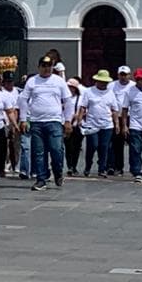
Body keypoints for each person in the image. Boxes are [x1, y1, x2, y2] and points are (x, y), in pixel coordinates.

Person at [19, 55, 74, 192]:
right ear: (39, 67)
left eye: (49, 66)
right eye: (44, 66)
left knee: (56, 149)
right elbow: (23, 100)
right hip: (37, 122)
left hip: (54, 121)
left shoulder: (59, 81)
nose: (46, 68)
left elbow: (68, 101)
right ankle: (41, 179)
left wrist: (68, 120)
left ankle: (58, 171)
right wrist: (23, 119)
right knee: (38, 152)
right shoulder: (32, 81)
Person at [77, 69, 117, 178]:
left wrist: (117, 124)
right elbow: (83, 107)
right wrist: (80, 119)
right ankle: (88, 166)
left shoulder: (110, 93)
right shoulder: (89, 92)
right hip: (92, 124)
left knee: (104, 147)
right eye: (101, 81)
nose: (103, 84)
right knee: (92, 145)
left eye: (105, 82)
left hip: (107, 125)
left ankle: (102, 168)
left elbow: (114, 110)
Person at [108, 65, 133, 176]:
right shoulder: (112, 85)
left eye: (125, 75)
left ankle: (134, 166)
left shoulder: (133, 86)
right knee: (115, 143)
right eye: (121, 75)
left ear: (129, 75)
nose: (123, 77)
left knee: (131, 143)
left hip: (130, 117)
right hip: (115, 116)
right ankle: (114, 166)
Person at [63, 78, 84, 175]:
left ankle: (74, 166)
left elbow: (84, 109)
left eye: (71, 87)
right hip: (65, 124)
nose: (69, 89)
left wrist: (78, 115)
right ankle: (70, 166)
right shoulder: (63, 98)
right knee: (68, 146)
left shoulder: (80, 98)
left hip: (76, 125)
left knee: (76, 147)